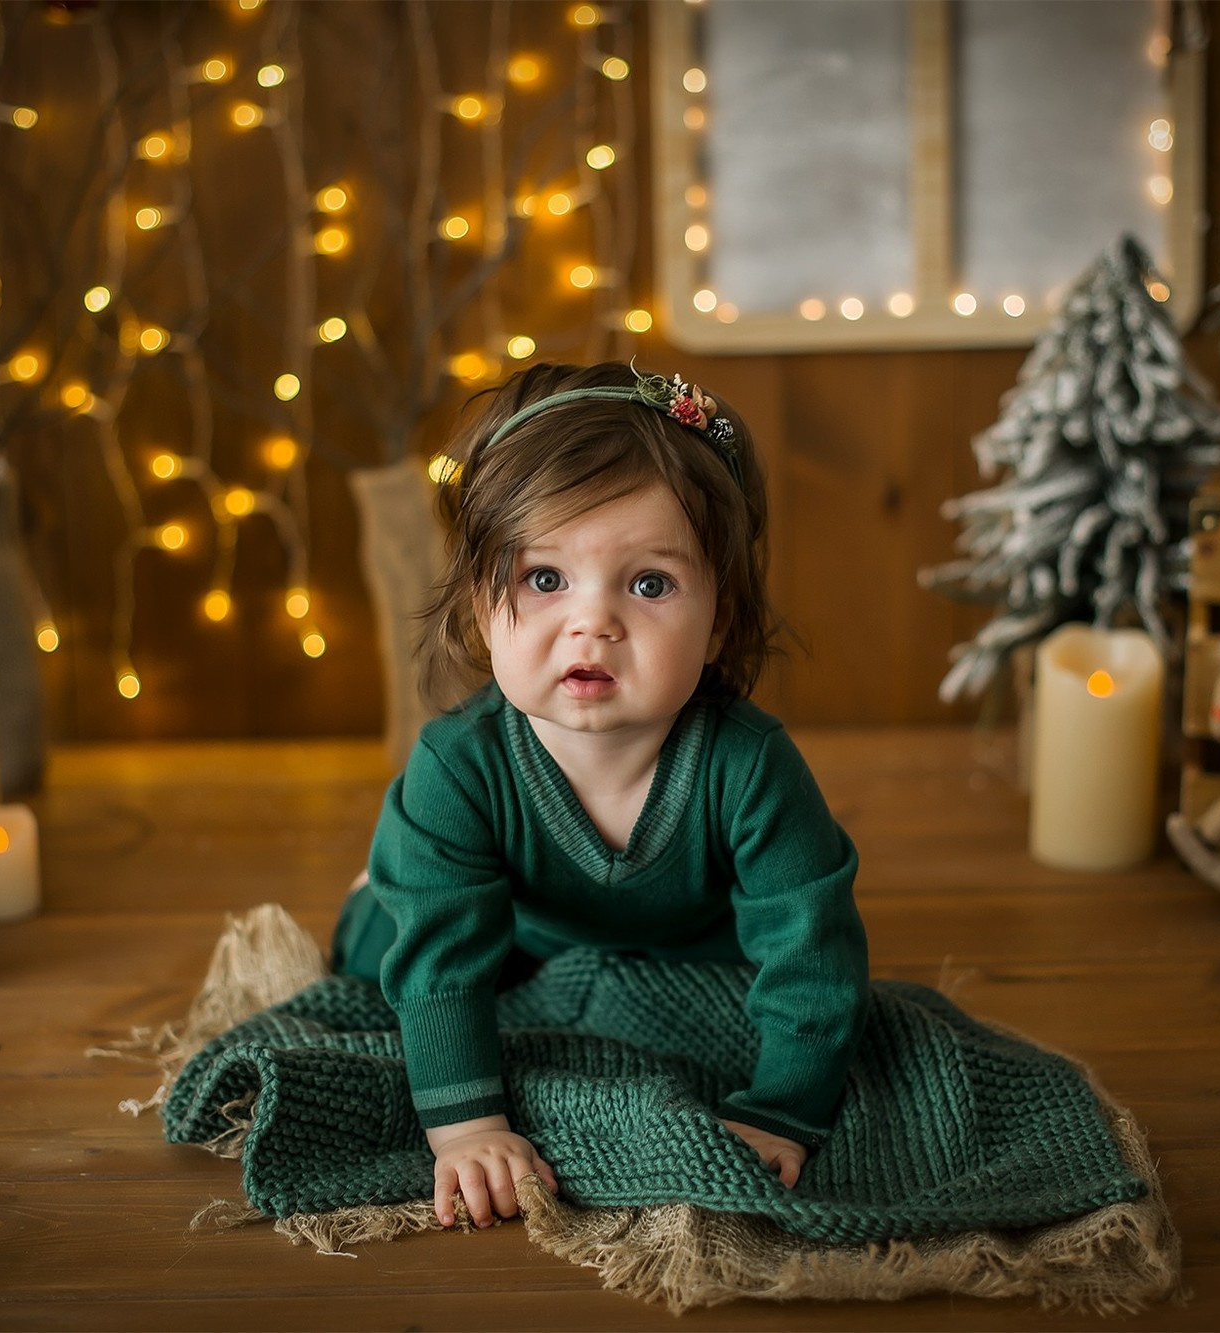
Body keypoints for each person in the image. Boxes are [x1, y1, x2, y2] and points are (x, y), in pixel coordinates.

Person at [332, 361, 869, 1231]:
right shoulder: (458, 766)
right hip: (516, 924)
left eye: (650, 584)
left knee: (771, 1008)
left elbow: (813, 948)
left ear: (720, 620)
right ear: (479, 603)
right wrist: (468, 1126)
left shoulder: (751, 767)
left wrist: (780, 1106)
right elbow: (439, 972)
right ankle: (395, 880)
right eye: (546, 579)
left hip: (692, 937)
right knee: (387, 954)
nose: (594, 622)